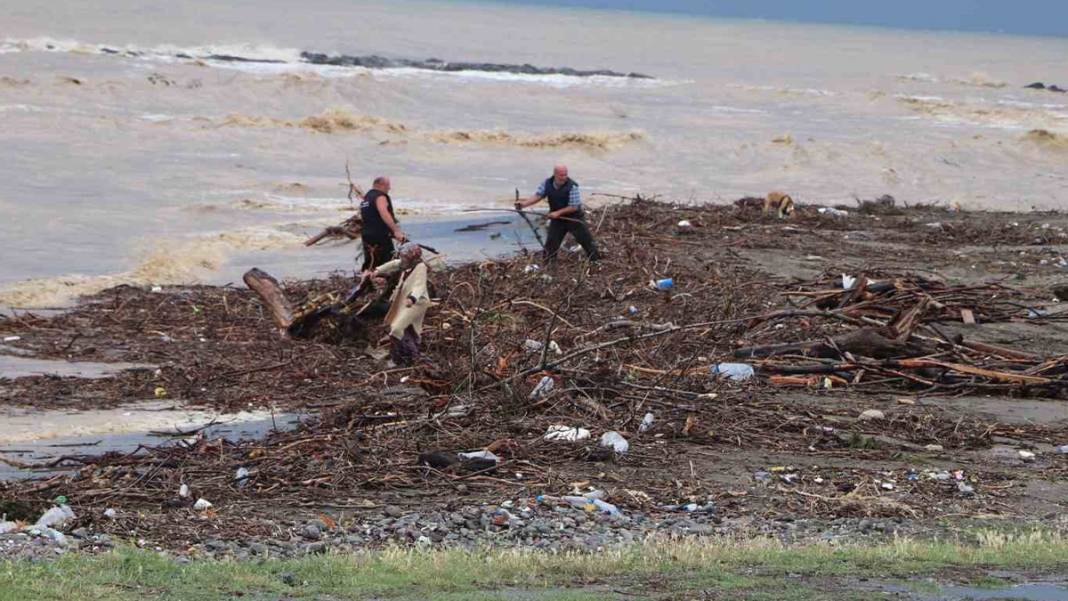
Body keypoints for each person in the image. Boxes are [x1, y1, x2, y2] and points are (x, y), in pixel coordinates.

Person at [363, 243, 432, 366]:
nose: (402, 259)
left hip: (417, 302)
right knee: (409, 329)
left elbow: (419, 286)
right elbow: (394, 263)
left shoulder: (420, 267)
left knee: (397, 328)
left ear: (411, 257)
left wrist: (412, 298)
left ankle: (406, 357)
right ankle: (406, 356)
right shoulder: (407, 264)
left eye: (404, 256)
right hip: (405, 301)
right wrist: (378, 270)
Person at [515, 165, 600, 263]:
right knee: (551, 244)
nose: (564, 177)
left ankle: (595, 261)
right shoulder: (547, 184)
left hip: (574, 219)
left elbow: (574, 207)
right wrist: (524, 204)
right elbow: (538, 195)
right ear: (555, 175)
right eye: (561, 175)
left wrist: (557, 213)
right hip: (558, 220)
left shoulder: (572, 186)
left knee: (586, 241)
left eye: (565, 175)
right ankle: (548, 264)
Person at [360, 176, 407, 271]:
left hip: (366, 234)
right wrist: (396, 231)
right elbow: (384, 213)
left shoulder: (367, 198)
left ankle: (368, 277)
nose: (389, 188)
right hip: (380, 235)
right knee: (387, 263)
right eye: (387, 185)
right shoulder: (380, 196)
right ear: (380, 185)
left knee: (371, 262)